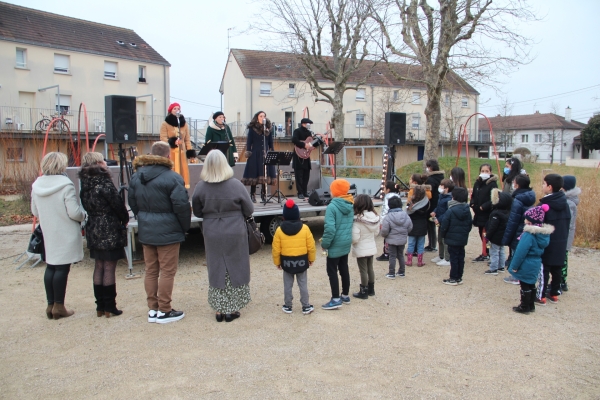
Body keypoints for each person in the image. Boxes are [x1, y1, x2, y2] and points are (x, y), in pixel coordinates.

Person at [128, 141, 191, 324]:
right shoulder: (173, 177)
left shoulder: (136, 176)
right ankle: (164, 309)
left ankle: (153, 309)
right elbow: (181, 206)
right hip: (168, 230)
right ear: (168, 156)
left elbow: (132, 202)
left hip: (147, 228)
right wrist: (184, 226)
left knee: (151, 270)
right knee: (167, 271)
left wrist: (143, 217)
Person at [192, 150, 254, 322]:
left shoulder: (201, 186)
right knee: (235, 266)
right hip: (234, 229)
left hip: (212, 230)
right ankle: (231, 309)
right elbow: (249, 209)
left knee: (216, 267)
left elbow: (197, 211)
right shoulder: (235, 185)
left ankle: (219, 309)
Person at [31, 152, 86, 319]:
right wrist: (84, 214)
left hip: (48, 229)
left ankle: (50, 304)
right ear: (61, 166)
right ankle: (59, 306)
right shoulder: (65, 185)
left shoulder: (37, 185)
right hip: (65, 230)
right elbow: (74, 213)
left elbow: (34, 211)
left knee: (51, 266)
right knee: (62, 268)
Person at [79, 152, 129, 318]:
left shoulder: (84, 183)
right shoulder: (104, 182)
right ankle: (110, 306)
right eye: (102, 160)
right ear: (97, 163)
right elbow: (117, 204)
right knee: (109, 266)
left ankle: (100, 306)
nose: (105, 163)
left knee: (99, 265)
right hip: (108, 227)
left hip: (93, 226)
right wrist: (124, 218)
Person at [272, 199, 316, 314]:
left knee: (287, 285)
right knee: (303, 284)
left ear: (284, 215)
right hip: (302, 261)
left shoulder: (279, 230)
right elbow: (311, 246)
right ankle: (306, 306)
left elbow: (276, 249)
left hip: (286, 262)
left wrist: (277, 262)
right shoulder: (305, 229)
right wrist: (311, 259)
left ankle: (288, 305)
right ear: (297, 214)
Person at [509, 205, 553, 314]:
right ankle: (531, 305)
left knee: (524, 284)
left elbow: (520, 252)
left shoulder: (528, 234)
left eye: (526, 218)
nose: (524, 220)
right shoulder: (542, 235)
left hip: (526, 262)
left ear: (531, 220)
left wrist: (514, 266)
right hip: (536, 261)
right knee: (531, 283)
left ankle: (524, 306)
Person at [535, 174, 571, 305]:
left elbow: (537, 223)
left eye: (544, 184)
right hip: (561, 239)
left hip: (548, 241)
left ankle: (541, 296)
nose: (542, 186)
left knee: (544, 268)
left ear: (549, 187)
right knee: (557, 267)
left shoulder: (545, 205)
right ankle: (554, 293)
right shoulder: (565, 203)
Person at [321, 179, 354, 310]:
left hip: (335, 243)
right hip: (345, 241)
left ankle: (335, 298)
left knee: (332, 270)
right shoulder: (350, 204)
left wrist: (325, 244)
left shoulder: (332, 207)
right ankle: (345, 295)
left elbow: (330, 229)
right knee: (344, 267)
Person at [502, 174, 536, 285]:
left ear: (517, 184)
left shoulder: (518, 200)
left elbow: (513, 220)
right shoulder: (529, 197)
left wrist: (507, 238)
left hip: (518, 230)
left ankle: (516, 276)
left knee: (516, 253)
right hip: (525, 229)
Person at [440, 187, 473, 285]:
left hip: (451, 238)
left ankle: (453, 277)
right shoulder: (467, 210)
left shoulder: (450, 211)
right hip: (462, 238)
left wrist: (443, 235)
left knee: (453, 258)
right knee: (460, 257)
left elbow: (444, 225)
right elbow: (469, 224)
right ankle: (459, 276)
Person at [241, 111, 276, 203]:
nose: (263, 117)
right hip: (255, 154)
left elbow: (270, 142)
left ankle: (264, 195)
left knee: (265, 174)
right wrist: (248, 152)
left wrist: (272, 151)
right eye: (261, 116)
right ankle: (252, 195)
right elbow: (249, 141)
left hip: (265, 153)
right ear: (257, 118)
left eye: (264, 116)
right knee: (254, 174)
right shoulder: (252, 129)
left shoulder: (268, 128)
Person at [159, 102, 196, 189]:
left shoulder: (184, 124)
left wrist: (190, 152)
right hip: (170, 152)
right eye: (174, 109)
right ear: (170, 111)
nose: (177, 110)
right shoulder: (165, 123)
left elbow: (187, 139)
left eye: (178, 108)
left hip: (182, 152)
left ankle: (182, 189)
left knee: (183, 172)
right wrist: (173, 142)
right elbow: (163, 138)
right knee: (172, 169)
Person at [350, 194, 380, 298]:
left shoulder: (358, 220)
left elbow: (355, 238)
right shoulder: (375, 217)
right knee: (370, 268)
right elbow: (376, 233)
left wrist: (353, 243)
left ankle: (363, 291)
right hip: (371, 246)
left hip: (361, 248)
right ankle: (371, 290)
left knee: (363, 270)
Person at [470, 163, 498, 262]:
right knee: (481, 232)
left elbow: (494, 198)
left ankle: (487, 253)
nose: (484, 173)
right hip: (478, 212)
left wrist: (484, 206)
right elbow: (473, 195)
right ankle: (485, 251)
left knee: (486, 233)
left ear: (490, 172)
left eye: (487, 171)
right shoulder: (477, 182)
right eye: (483, 171)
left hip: (487, 213)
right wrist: (472, 203)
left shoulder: (492, 184)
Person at [380, 196, 413, 279]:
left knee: (392, 256)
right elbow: (410, 227)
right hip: (402, 239)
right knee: (400, 255)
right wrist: (404, 233)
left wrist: (385, 236)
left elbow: (384, 230)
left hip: (391, 240)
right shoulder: (405, 215)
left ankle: (391, 272)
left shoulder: (388, 217)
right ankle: (402, 272)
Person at [483, 189, 513, 276]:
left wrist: (487, 236)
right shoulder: (507, 213)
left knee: (494, 252)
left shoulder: (496, 214)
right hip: (502, 236)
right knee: (501, 251)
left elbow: (493, 227)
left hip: (495, 237)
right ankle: (501, 266)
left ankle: (494, 268)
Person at [561, 175, 580, 292]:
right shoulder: (568, 201)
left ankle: (562, 282)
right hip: (564, 235)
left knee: (562, 259)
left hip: (564, 236)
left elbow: (567, 223)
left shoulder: (569, 203)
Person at [430, 178, 454, 266]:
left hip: (445, 222)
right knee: (440, 239)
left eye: (441, 186)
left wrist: (438, 219)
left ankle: (447, 258)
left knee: (445, 240)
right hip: (439, 221)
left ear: (446, 188)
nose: (439, 187)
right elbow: (439, 207)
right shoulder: (441, 196)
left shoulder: (449, 199)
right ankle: (441, 256)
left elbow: (447, 212)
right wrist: (435, 211)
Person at [376, 181, 400, 262]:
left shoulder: (387, 197)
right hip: (397, 219)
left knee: (387, 237)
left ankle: (387, 253)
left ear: (388, 189)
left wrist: (382, 221)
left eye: (385, 188)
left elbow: (385, 210)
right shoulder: (397, 196)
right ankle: (394, 252)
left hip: (388, 220)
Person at [406, 185, 430, 267]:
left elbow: (407, 212)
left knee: (411, 244)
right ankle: (420, 261)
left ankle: (409, 260)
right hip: (423, 224)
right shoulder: (427, 202)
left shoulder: (411, 203)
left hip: (412, 225)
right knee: (421, 244)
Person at [291, 118, 314, 199]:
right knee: (299, 175)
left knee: (306, 175)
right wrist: (304, 145)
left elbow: (311, 143)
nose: (309, 125)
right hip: (298, 155)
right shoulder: (297, 131)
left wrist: (318, 141)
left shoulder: (309, 133)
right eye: (308, 123)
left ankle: (304, 191)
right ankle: (299, 192)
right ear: (304, 123)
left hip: (306, 155)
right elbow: (294, 139)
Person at [425, 160, 445, 252]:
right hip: (439, 203)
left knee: (431, 225)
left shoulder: (431, 179)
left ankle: (432, 245)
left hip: (432, 204)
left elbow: (429, 194)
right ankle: (433, 244)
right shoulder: (441, 177)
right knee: (436, 225)